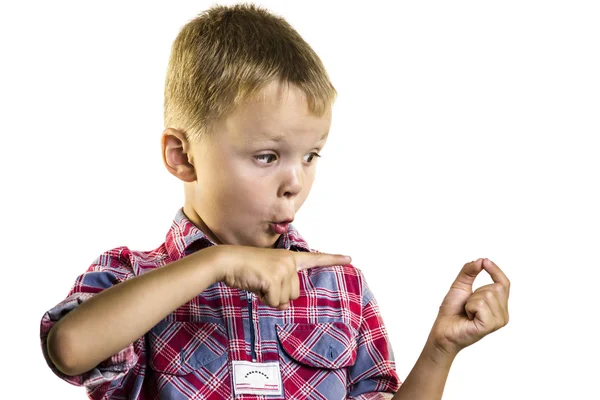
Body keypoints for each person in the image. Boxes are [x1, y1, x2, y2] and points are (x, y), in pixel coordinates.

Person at [40, 3, 510, 399]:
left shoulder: (339, 287)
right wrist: (216, 263)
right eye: (267, 156)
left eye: (310, 156)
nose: (295, 182)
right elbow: (70, 347)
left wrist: (439, 351)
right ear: (183, 157)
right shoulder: (134, 277)